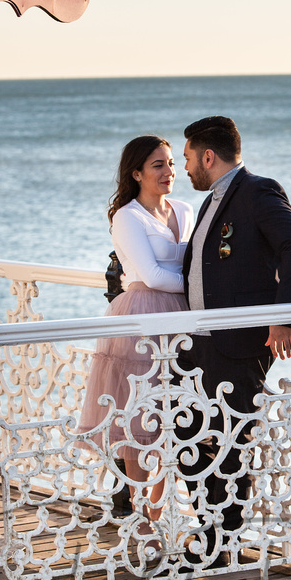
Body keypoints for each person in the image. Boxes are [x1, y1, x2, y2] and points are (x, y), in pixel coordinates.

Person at [177, 115, 291, 565]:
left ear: (208, 156)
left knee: (233, 442)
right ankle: (208, 528)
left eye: (189, 158)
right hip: (199, 341)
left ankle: (224, 543)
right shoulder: (212, 200)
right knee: (187, 433)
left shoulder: (257, 191)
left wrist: (284, 317)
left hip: (238, 342)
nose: (187, 167)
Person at [78, 135, 194, 532]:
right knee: (138, 420)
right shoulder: (127, 216)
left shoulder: (185, 209)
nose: (169, 171)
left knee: (171, 420)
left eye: (172, 163)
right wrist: (203, 289)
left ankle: (161, 517)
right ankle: (142, 516)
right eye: (158, 165)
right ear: (137, 173)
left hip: (184, 321)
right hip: (141, 317)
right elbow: (152, 275)